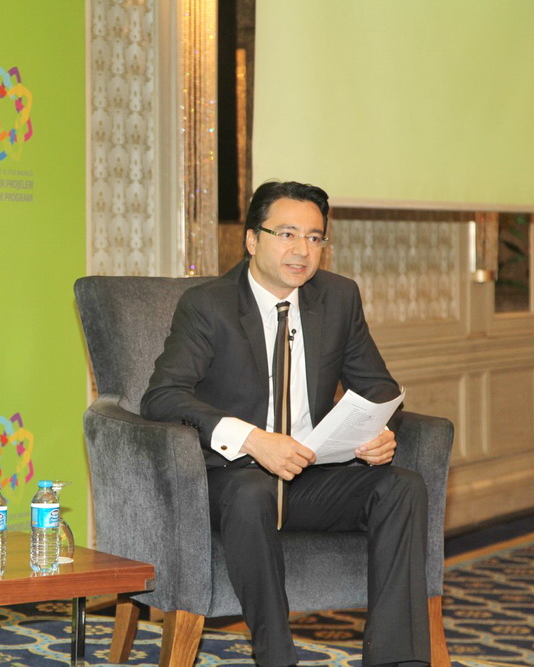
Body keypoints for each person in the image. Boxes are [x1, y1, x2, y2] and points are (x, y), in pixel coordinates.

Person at [141, 180, 429, 667]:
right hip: (230, 479)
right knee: (251, 490)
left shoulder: (337, 297)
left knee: (401, 487)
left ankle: (396, 661)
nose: (302, 250)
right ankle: (276, 657)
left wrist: (376, 432)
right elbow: (162, 397)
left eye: (315, 238)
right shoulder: (208, 305)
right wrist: (253, 440)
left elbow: (378, 387)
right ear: (252, 240)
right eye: (287, 234)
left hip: (310, 477)